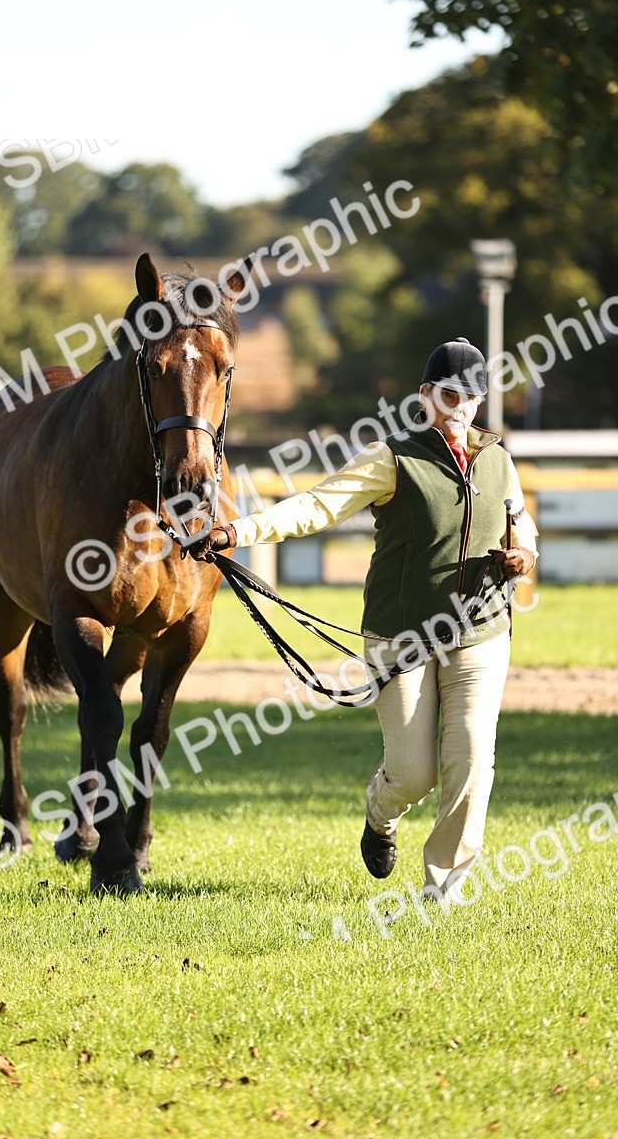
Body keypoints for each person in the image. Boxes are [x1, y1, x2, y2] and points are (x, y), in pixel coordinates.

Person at [189, 338, 537, 902]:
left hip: (482, 629)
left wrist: (524, 554)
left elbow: (519, 519)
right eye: (449, 396)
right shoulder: (390, 458)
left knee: (473, 758)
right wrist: (236, 532)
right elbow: (315, 506)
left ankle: (444, 889)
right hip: (402, 635)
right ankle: (381, 814)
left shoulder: (498, 458)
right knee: (413, 772)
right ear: (425, 395)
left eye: (471, 398)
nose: (460, 408)